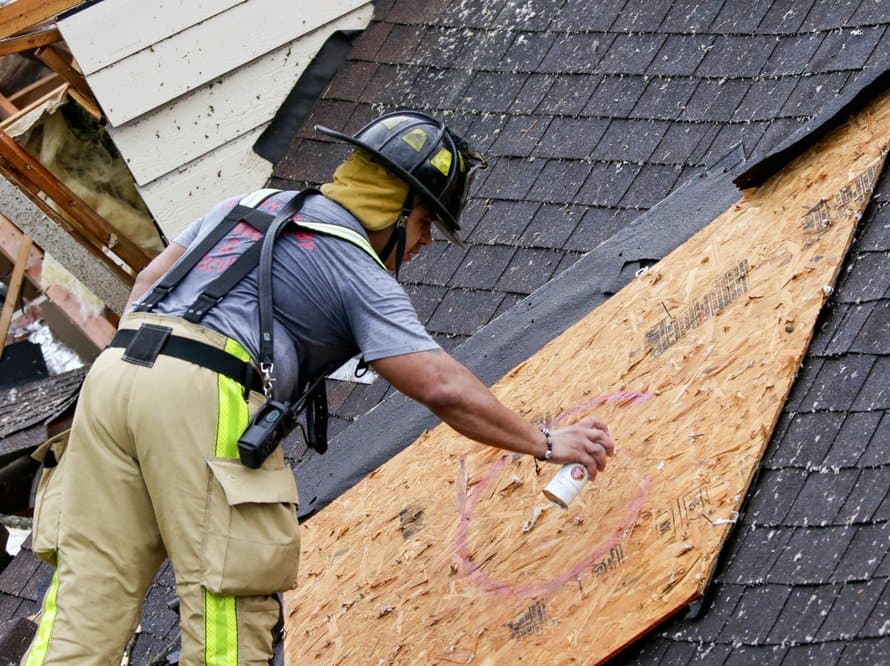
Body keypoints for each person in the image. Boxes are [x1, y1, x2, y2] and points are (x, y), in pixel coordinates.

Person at [22, 110, 615, 665]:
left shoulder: (249, 205)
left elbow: (149, 282)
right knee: (231, 596)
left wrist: (147, 393)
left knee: (88, 591)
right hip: (204, 386)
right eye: (426, 221)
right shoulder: (352, 263)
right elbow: (442, 387)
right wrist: (544, 442)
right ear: (394, 206)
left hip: (114, 374)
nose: (428, 241)